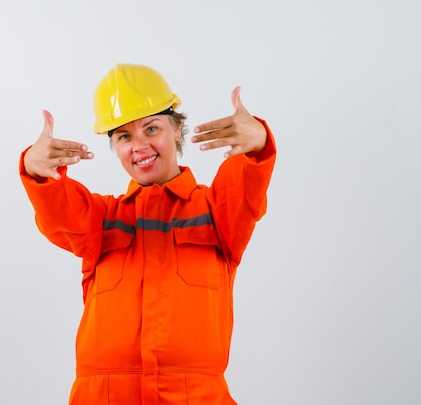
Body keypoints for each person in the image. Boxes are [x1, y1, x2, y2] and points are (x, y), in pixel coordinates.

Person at [19, 63, 276, 405]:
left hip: (194, 397)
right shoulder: (103, 218)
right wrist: (37, 171)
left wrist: (257, 146)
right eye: (124, 136)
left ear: (177, 132)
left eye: (151, 128)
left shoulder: (216, 213)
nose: (139, 145)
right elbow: (59, 211)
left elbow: (245, 186)